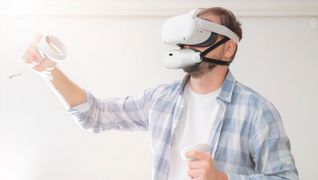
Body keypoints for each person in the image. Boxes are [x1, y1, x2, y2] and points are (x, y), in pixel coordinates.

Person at [23, 7, 298, 180]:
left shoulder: (257, 111)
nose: (188, 45)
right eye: (187, 37)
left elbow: (286, 177)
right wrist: (48, 70)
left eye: (201, 36)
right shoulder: (159, 100)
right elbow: (94, 115)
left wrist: (224, 179)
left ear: (229, 49)